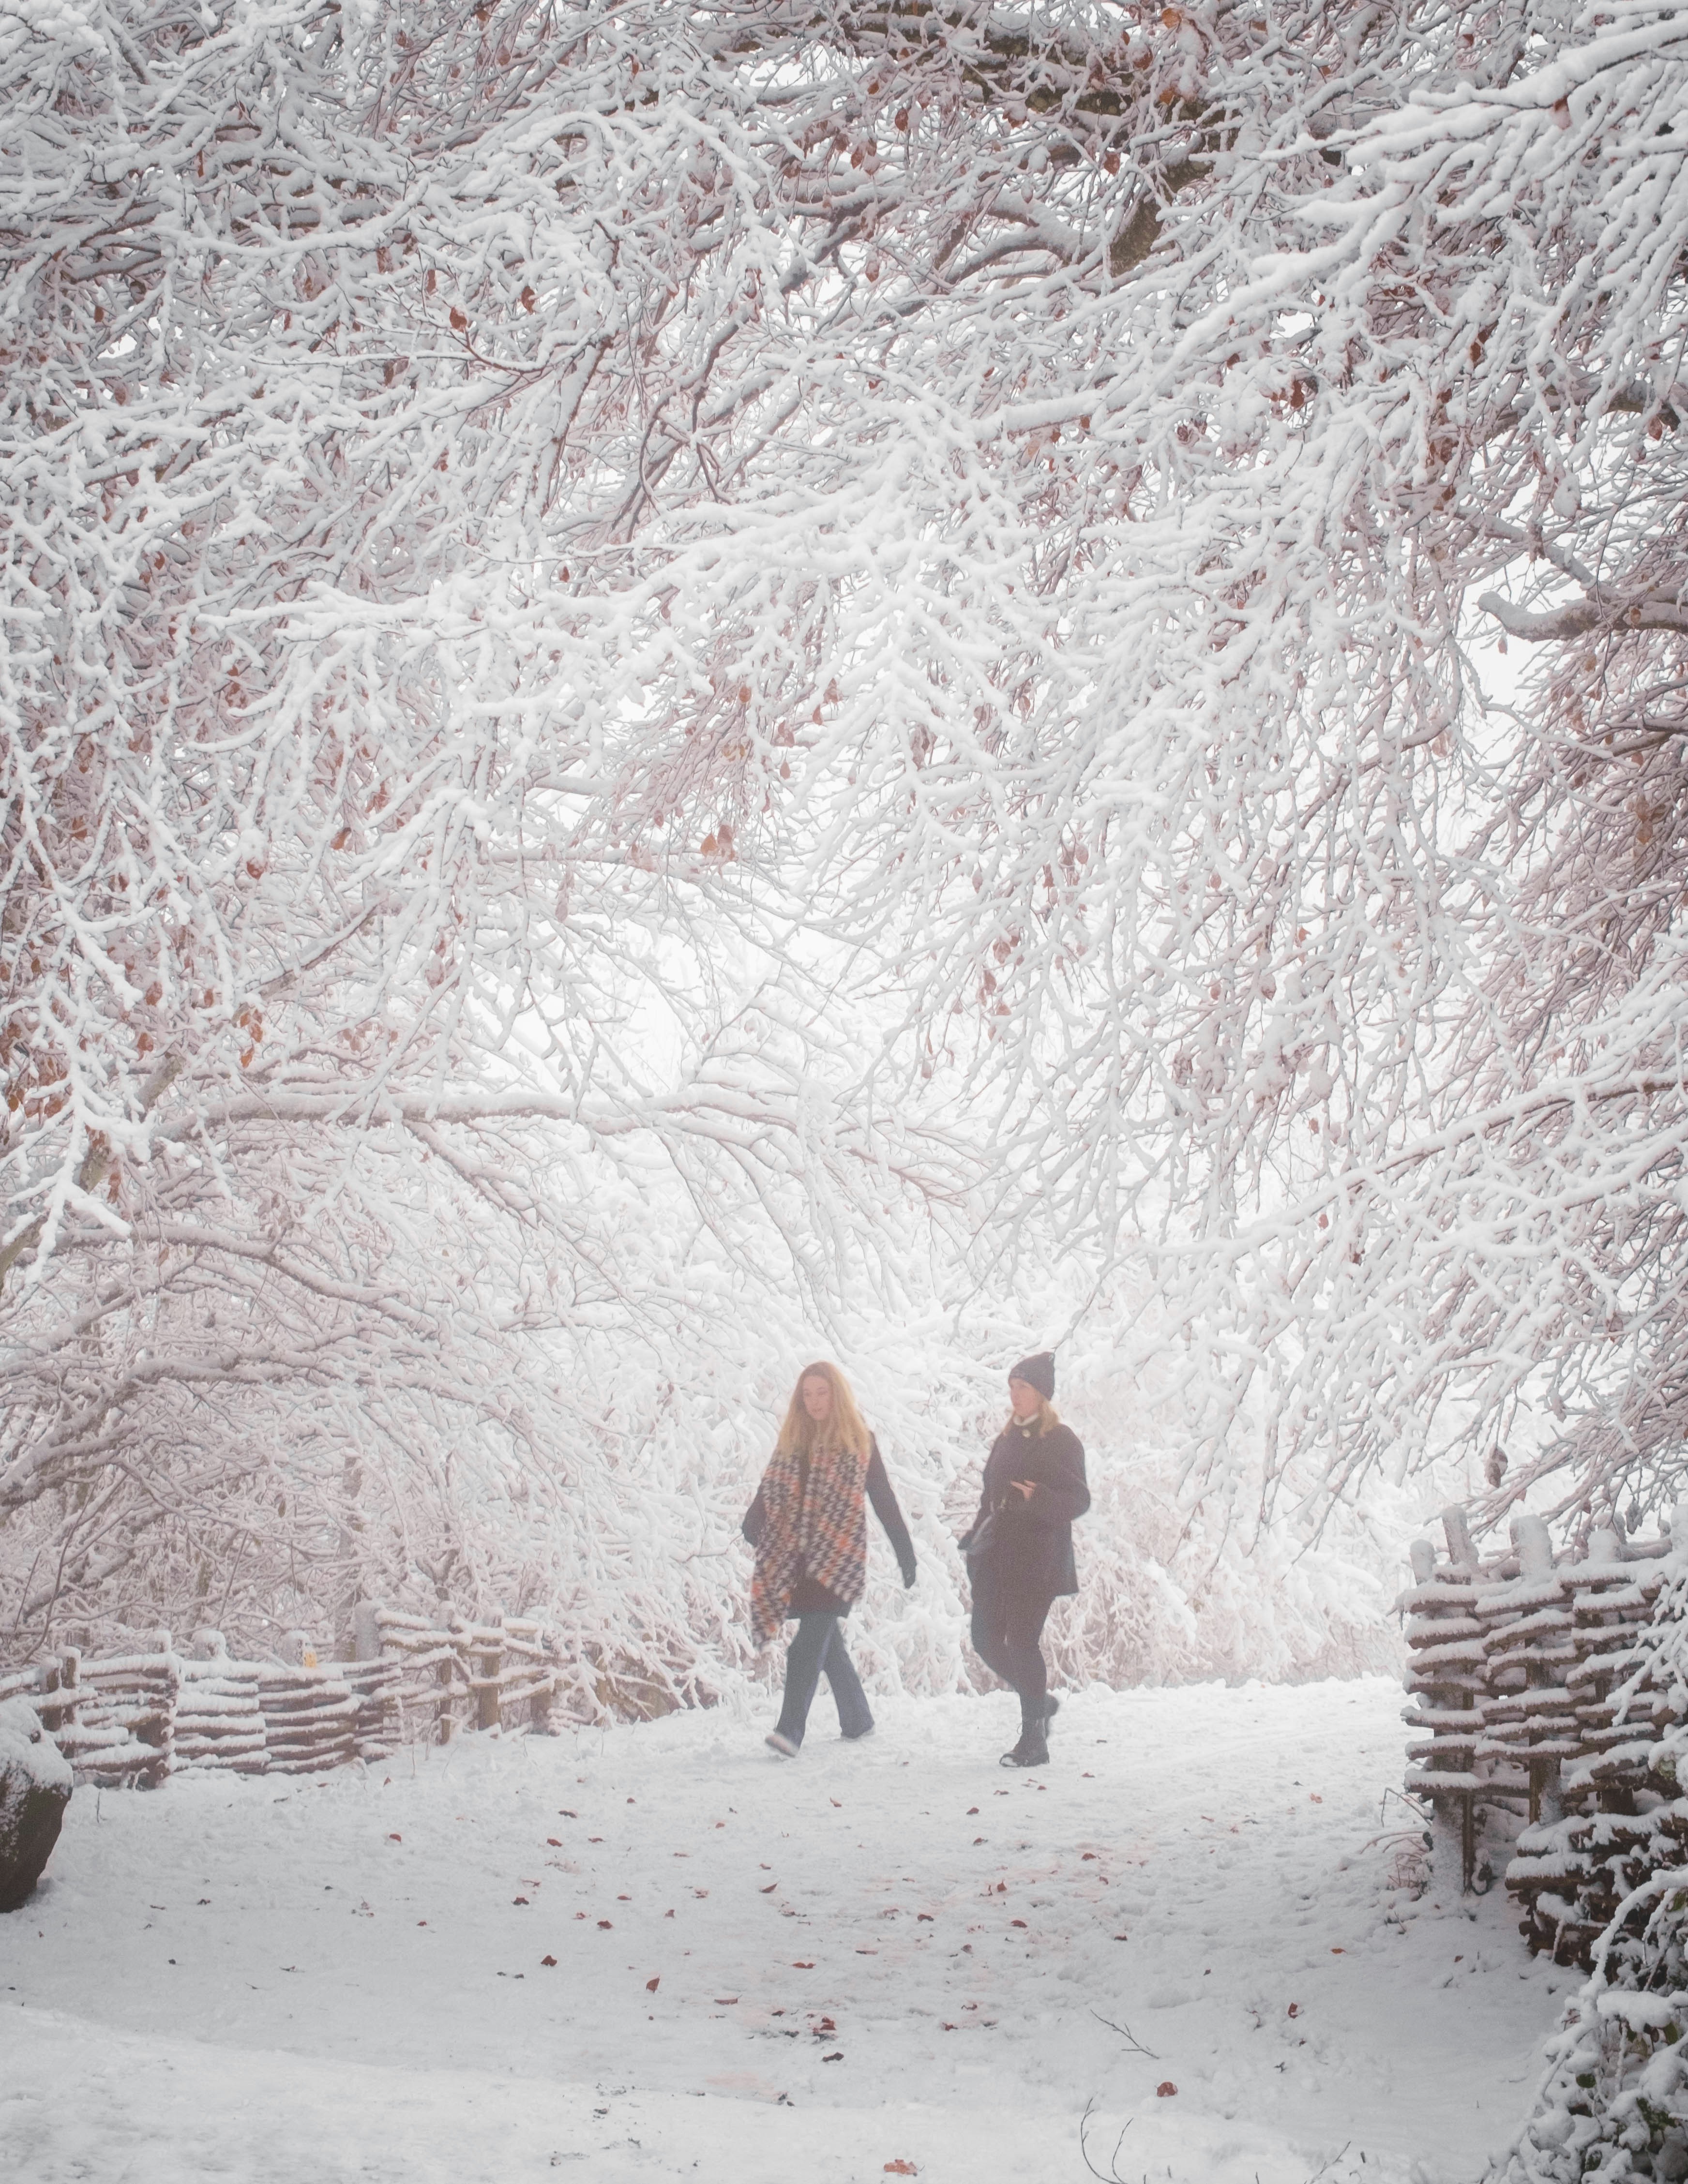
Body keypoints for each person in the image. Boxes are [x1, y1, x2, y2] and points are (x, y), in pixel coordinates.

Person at [742, 1361, 917, 1757]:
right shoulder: (793, 1442)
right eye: (808, 1394)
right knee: (828, 1645)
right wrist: (753, 1522)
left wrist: (905, 1553)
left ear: (836, 1396)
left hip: (838, 1562)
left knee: (806, 1646)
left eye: (822, 1393)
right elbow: (770, 1488)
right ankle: (858, 1719)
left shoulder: (860, 1442)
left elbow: (884, 1500)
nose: (815, 1401)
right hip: (797, 1561)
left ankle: (789, 1732)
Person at [960, 1351, 1089, 1769]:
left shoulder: (1062, 1440)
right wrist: (975, 1532)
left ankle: (1034, 1741)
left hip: (1038, 1561)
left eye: (1024, 1389)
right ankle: (1040, 1702)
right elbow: (990, 1496)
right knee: (984, 1639)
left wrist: (1040, 1498)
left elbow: (1079, 1500)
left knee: (1021, 1642)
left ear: (1042, 1395)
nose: (1015, 1396)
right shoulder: (1006, 1438)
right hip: (997, 1558)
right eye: (1013, 1387)